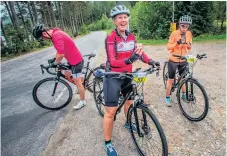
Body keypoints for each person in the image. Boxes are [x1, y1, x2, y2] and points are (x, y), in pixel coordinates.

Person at [103, 5, 160, 156]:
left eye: (125, 17)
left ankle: (128, 123)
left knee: (129, 102)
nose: (123, 20)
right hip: (113, 76)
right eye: (119, 17)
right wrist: (129, 60)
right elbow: (113, 61)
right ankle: (108, 143)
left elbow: (139, 54)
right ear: (115, 21)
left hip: (127, 76)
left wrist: (151, 61)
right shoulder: (111, 38)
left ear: (128, 19)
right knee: (110, 112)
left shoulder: (132, 36)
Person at [32, 24, 86, 110]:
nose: (44, 40)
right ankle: (82, 85)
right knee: (67, 74)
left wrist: (56, 63)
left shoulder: (56, 36)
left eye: (43, 38)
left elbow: (61, 54)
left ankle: (83, 101)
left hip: (76, 61)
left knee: (78, 83)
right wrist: (54, 60)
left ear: (44, 34)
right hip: (72, 60)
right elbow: (59, 51)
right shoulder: (55, 34)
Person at [165, 15, 193, 107]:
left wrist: (188, 44)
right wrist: (177, 43)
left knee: (183, 79)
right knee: (171, 80)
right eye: (183, 26)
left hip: (183, 59)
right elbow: (168, 47)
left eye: (187, 26)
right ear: (180, 25)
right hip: (173, 60)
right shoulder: (174, 34)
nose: (185, 28)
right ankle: (167, 97)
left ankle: (184, 95)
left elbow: (189, 47)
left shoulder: (189, 34)